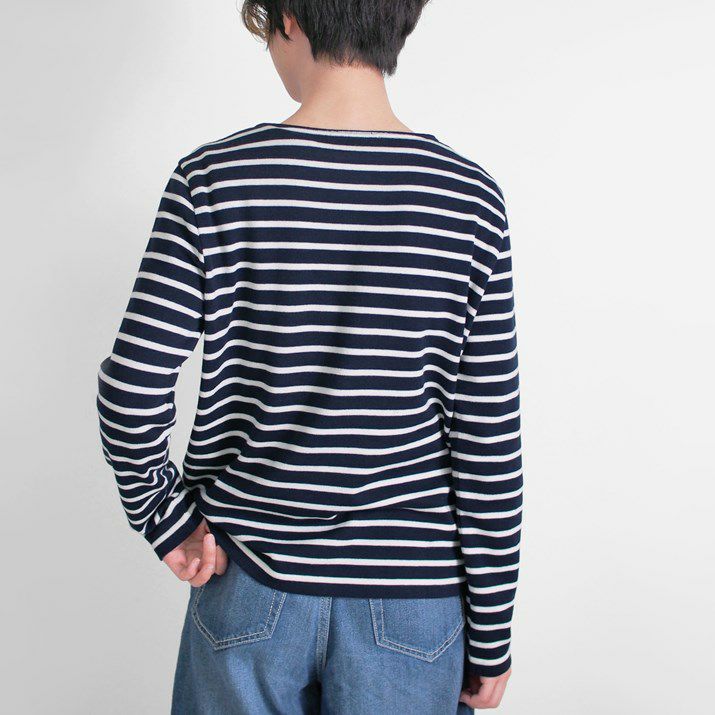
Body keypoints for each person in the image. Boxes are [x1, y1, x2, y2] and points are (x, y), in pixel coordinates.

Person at [96, 1, 523, 712]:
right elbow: (487, 441)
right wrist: (492, 631)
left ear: (289, 18)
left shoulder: (213, 180)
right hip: (412, 605)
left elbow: (131, 388)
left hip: (248, 585)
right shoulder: (467, 200)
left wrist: (166, 519)